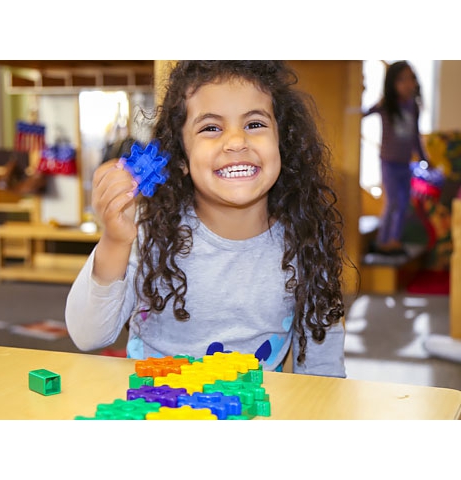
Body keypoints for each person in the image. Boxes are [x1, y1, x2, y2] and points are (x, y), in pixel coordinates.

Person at [65, 61, 349, 377]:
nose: (236, 141)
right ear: (181, 159)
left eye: (255, 124)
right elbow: (87, 335)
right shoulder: (150, 233)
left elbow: (323, 373)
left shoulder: (305, 241)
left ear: (282, 142)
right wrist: (115, 241)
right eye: (211, 128)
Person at [363, 60, 430, 255]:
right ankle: (383, 240)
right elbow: (363, 114)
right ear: (392, 83)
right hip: (389, 162)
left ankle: (394, 240)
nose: (407, 84)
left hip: (405, 163)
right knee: (392, 201)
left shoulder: (413, 107)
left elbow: (415, 135)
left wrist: (424, 158)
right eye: (402, 80)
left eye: (411, 79)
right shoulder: (386, 105)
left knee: (403, 203)